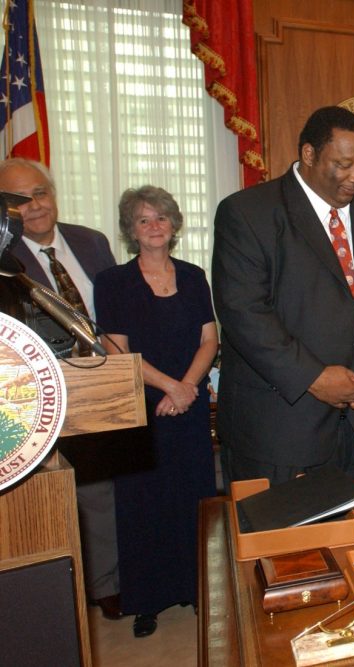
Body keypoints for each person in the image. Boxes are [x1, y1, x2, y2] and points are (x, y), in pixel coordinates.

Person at [212, 106, 354, 485]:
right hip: (280, 432)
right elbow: (244, 313)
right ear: (308, 155)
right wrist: (313, 376)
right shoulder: (248, 213)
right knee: (283, 545)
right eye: (343, 164)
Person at [0, 158, 122, 620]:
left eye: (40, 193)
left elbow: (116, 307)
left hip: (107, 383)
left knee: (112, 486)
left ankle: (117, 577)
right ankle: (100, 586)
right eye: (17, 201)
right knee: (80, 489)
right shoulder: (4, 259)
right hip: (43, 392)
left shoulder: (92, 241)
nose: (33, 207)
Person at [94, 186, 218, 638]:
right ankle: (147, 600)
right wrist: (171, 387)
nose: (154, 226)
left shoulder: (192, 275)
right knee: (143, 505)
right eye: (144, 219)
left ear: (174, 224)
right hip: (140, 409)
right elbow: (116, 351)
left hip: (187, 406)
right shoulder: (111, 282)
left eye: (162, 217)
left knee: (193, 500)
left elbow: (210, 340)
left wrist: (186, 388)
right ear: (131, 229)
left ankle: (197, 587)